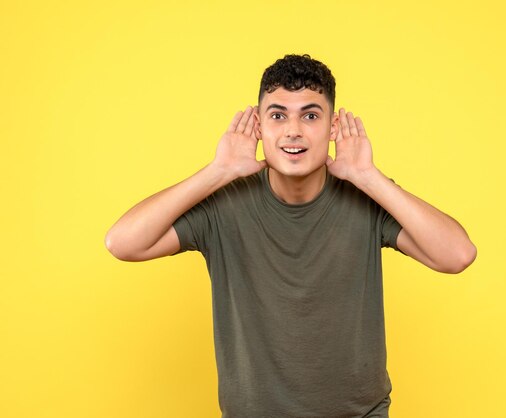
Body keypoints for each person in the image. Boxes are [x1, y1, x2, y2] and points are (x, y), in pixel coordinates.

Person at [105, 54, 477, 418]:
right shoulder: (224, 202)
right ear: (258, 126)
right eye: (278, 115)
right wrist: (218, 171)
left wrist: (369, 177)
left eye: (310, 116)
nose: (293, 131)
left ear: (332, 128)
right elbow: (123, 243)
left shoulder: (366, 196)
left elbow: (456, 255)